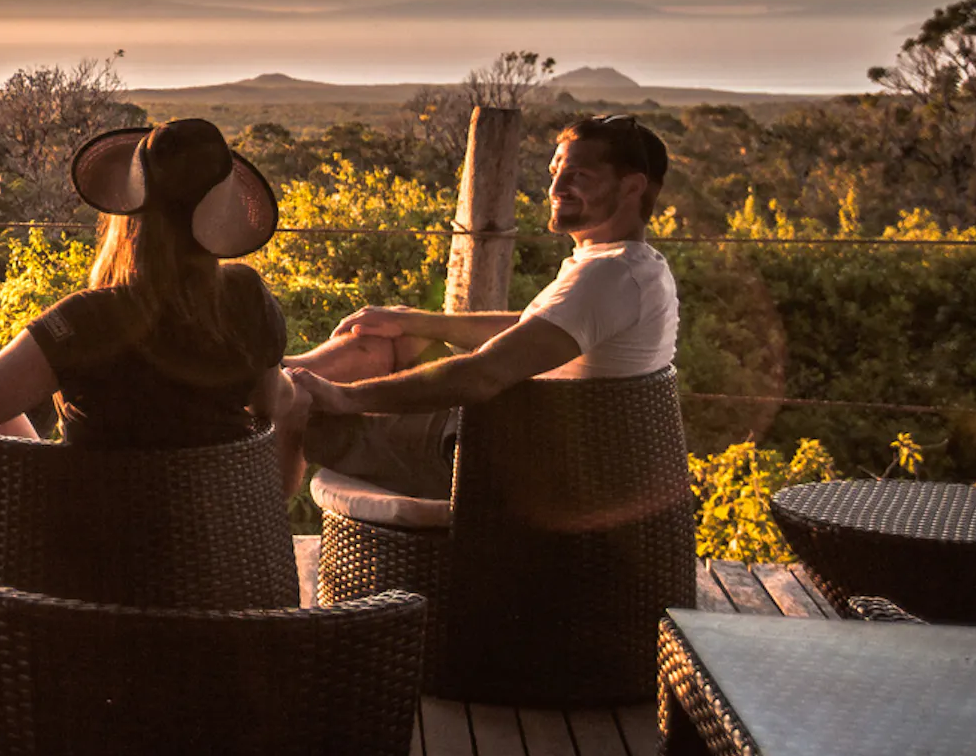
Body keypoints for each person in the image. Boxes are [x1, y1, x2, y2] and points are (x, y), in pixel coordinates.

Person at [0, 117, 289, 663]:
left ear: (132, 214)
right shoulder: (245, 299)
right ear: (216, 216)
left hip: (83, 568)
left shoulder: (91, 319)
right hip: (209, 558)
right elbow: (273, 407)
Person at [278, 114, 678, 499]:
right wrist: (414, 321)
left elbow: (484, 375)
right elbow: (533, 328)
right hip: (518, 437)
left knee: (296, 406)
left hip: (497, 464)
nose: (556, 188)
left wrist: (347, 398)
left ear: (631, 188)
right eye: (555, 171)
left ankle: (259, 543)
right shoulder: (626, 266)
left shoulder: (610, 277)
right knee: (388, 340)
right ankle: (278, 370)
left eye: (580, 176)